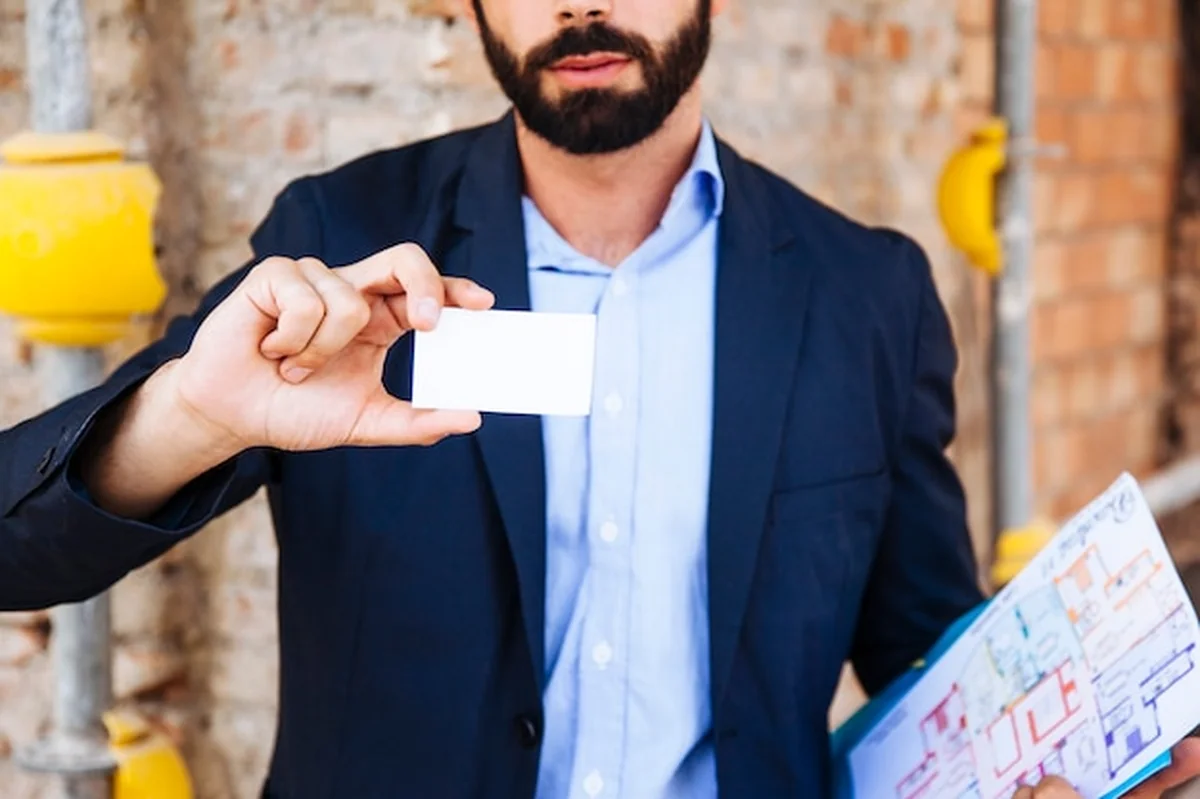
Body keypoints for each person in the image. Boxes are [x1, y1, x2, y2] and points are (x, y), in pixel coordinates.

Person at [2, 0, 1197, 796]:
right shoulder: (344, 243)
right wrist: (194, 415)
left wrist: (1069, 752)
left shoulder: (865, 293)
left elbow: (920, 652)